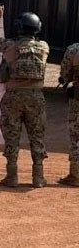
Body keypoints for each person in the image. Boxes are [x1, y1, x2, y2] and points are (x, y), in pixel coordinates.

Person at [0, 6, 49, 188]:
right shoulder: (44, 47)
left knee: (12, 137)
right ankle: (38, 177)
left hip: (13, 97)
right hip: (36, 97)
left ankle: (12, 176)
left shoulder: (9, 46)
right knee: (37, 136)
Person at [58, 43, 79, 187]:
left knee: (76, 135)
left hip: (78, 99)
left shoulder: (74, 49)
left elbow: (65, 75)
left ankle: (76, 175)